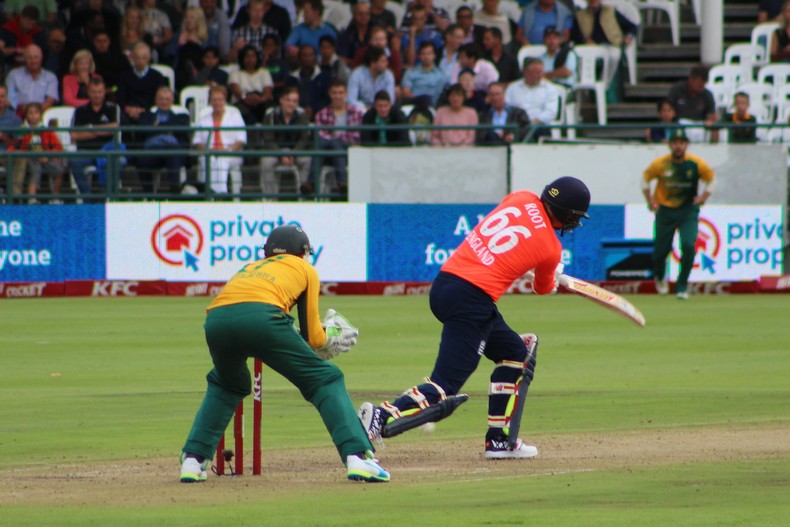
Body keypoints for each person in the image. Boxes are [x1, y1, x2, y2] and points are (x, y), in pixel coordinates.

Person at [358, 176, 592, 459]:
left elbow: (504, 246)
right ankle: (380, 416)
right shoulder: (551, 248)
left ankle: (500, 442)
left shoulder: (520, 197)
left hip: (446, 284)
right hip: (472, 300)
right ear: (568, 213)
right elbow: (542, 288)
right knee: (444, 386)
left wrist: (536, 265)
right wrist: (551, 275)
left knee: (515, 353)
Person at [179, 224, 390, 484]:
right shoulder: (305, 269)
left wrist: (303, 339)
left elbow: (261, 312)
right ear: (301, 252)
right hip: (264, 320)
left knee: (227, 384)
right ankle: (358, 457)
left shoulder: (250, 268)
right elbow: (313, 337)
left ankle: (193, 460)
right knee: (325, 379)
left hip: (216, 321)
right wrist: (330, 337)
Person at [642, 128, 716, 300]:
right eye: (675, 143)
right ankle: (660, 277)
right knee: (661, 251)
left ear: (686, 145)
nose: (678, 146)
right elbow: (644, 179)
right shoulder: (660, 163)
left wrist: (703, 197)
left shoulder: (696, 163)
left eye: (681, 143)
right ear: (669, 144)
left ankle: (681, 285)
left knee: (689, 245)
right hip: (665, 211)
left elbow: (712, 179)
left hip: (688, 210)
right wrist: (650, 200)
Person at [70, 77, 120, 197]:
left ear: (104, 92)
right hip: (85, 151)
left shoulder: (112, 108)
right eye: (94, 92)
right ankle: (87, 197)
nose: (97, 95)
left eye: (100, 92)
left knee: (118, 162)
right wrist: (102, 129)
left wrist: (91, 128)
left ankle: (107, 198)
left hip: (106, 151)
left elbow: (114, 128)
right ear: (88, 92)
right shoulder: (80, 111)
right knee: (73, 161)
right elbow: (75, 134)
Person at [136, 86, 191, 195]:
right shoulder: (146, 116)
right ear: (156, 100)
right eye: (161, 99)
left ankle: (175, 193)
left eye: (167, 99)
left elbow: (182, 131)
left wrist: (156, 127)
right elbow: (142, 130)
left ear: (172, 100)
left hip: (172, 153)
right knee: (141, 159)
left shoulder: (182, 117)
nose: (164, 102)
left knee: (173, 152)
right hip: (152, 152)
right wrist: (169, 129)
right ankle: (148, 195)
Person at [193, 85, 246, 196]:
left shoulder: (234, 114)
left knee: (221, 160)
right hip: (209, 153)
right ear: (210, 101)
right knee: (211, 160)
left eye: (220, 99)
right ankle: (208, 194)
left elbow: (241, 139)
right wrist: (210, 150)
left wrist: (227, 150)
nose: (217, 102)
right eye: (214, 100)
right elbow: (197, 141)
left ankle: (220, 196)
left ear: (225, 101)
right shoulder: (203, 118)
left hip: (231, 154)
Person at [313, 79, 364, 195]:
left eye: (340, 93)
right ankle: (342, 183)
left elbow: (356, 136)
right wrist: (335, 139)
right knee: (328, 144)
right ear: (330, 94)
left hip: (349, 151)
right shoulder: (321, 113)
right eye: (334, 93)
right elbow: (320, 135)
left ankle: (311, 183)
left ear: (346, 93)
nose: (337, 96)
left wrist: (335, 138)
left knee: (335, 142)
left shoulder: (356, 112)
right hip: (327, 152)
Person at [570, 0, 637, 87]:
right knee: (580, 57)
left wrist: (629, 37)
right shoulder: (580, 15)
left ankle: (605, 84)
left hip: (610, 44)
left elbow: (632, 27)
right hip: (590, 46)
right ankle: (584, 86)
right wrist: (584, 41)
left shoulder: (610, 11)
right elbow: (575, 34)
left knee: (614, 56)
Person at [260, 86, 313, 196]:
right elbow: (268, 139)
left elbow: (304, 138)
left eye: (294, 101)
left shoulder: (302, 116)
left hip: (295, 152)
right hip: (276, 152)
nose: (291, 104)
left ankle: (303, 196)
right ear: (281, 100)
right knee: (266, 161)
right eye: (288, 100)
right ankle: (270, 198)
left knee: (307, 160)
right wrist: (281, 155)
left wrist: (293, 153)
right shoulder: (271, 115)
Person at [9, 102, 64, 203]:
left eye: (36, 112)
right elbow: (15, 146)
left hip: (45, 157)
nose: (33, 115)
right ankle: (32, 198)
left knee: (59, 169)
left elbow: (58, 147)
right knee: (36, 169)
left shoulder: (47, 131)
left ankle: (55, 198)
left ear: (40, 114)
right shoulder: (22, 131)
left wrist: (47, 156)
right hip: (28, 158)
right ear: (26, 115)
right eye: (30, 113)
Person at [505, 57, 559, 142]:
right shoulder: (512, 88)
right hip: (516, 126)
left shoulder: (550, 88)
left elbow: (551, 112)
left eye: (541, 72)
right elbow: (507, 108)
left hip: (538, 126)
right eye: (537, 73)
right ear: (526, 72)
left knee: (537, 130)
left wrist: (531, 123)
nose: (540, 75)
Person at [667, 65, 718, 143]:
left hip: (700, 127)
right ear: (691, 79)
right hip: (679, 126)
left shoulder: (707, 95)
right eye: (699, 83)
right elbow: (668, 110)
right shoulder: (677, 90)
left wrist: (710, 121)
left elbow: (712, 117)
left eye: (703, 83)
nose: (701, 86)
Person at [5, 44, 58, 118]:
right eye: (29, 58)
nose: (33, 61)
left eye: (36, 57)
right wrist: (23, 109)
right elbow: (8, 97)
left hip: (42, 115)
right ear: (24, 58)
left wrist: (34, 113)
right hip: (17, 114)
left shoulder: (51, 77)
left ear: (41, 58)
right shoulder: (13, 74)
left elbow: (50, 101)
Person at [229, 44, 275, 124]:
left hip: (260, 101)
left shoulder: (264, 72)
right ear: (242, 58)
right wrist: (246, 98)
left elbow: (268, 91)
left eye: (253, 56)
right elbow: (236, 91)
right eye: (247, 56)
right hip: (242, 101)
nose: (250, 59)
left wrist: (260, 99)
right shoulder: (235, 73)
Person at [285, 44, 331, 120]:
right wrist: (301, 110)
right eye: (304, 55)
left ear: (315, 57)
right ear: (299, 58)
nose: (307, 58)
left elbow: (328, 99)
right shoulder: (292, 78)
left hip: (321, 116)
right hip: (295, 117)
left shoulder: (325, 77)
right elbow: (287, 98)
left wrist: (313, 108)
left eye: (310, 55)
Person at [347, 45, 396, 111]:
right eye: (383, 61)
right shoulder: (357, 74)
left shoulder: (388, 75)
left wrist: (377, 108)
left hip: (382, 110)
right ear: (373, 63)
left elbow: (390, 100)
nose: (387, 64)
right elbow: (351, 99)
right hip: (361, 110)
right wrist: (363, 108)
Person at [401, 41, 448, 109]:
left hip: (435, 107)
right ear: (419, 56)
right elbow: (405, 92)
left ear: (434, 55)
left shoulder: (441, 74)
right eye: (423, 54)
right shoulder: (411, 72)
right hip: (414, 106)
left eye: (429, 53)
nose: (426, 57)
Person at [0, 5, 47, 70]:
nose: (30, 27)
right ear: (21, 18)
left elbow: (43, 52)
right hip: (8, 64)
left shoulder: (38, 33)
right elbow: (1, 50)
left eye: (33, 24)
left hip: (31, 65)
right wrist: (17, 50)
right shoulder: (7, 29)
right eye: (27, 23)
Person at [90, 30, 131, 94]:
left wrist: (112, 90)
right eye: (98, 41)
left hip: (116, 90)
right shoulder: (89, 58)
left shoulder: (120, 58)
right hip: (95, 92)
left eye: (104, 41)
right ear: (94, 42)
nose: (102, 44)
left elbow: (126, 78)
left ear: (109, 42)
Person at [337, 0, 371, 66]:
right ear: (354, 15)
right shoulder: (346, 34)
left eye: (367, 14)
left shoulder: (374, 32)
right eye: (361, 14)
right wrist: (356, 63)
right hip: (352, 69)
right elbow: (342, 57)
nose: (364, 16)